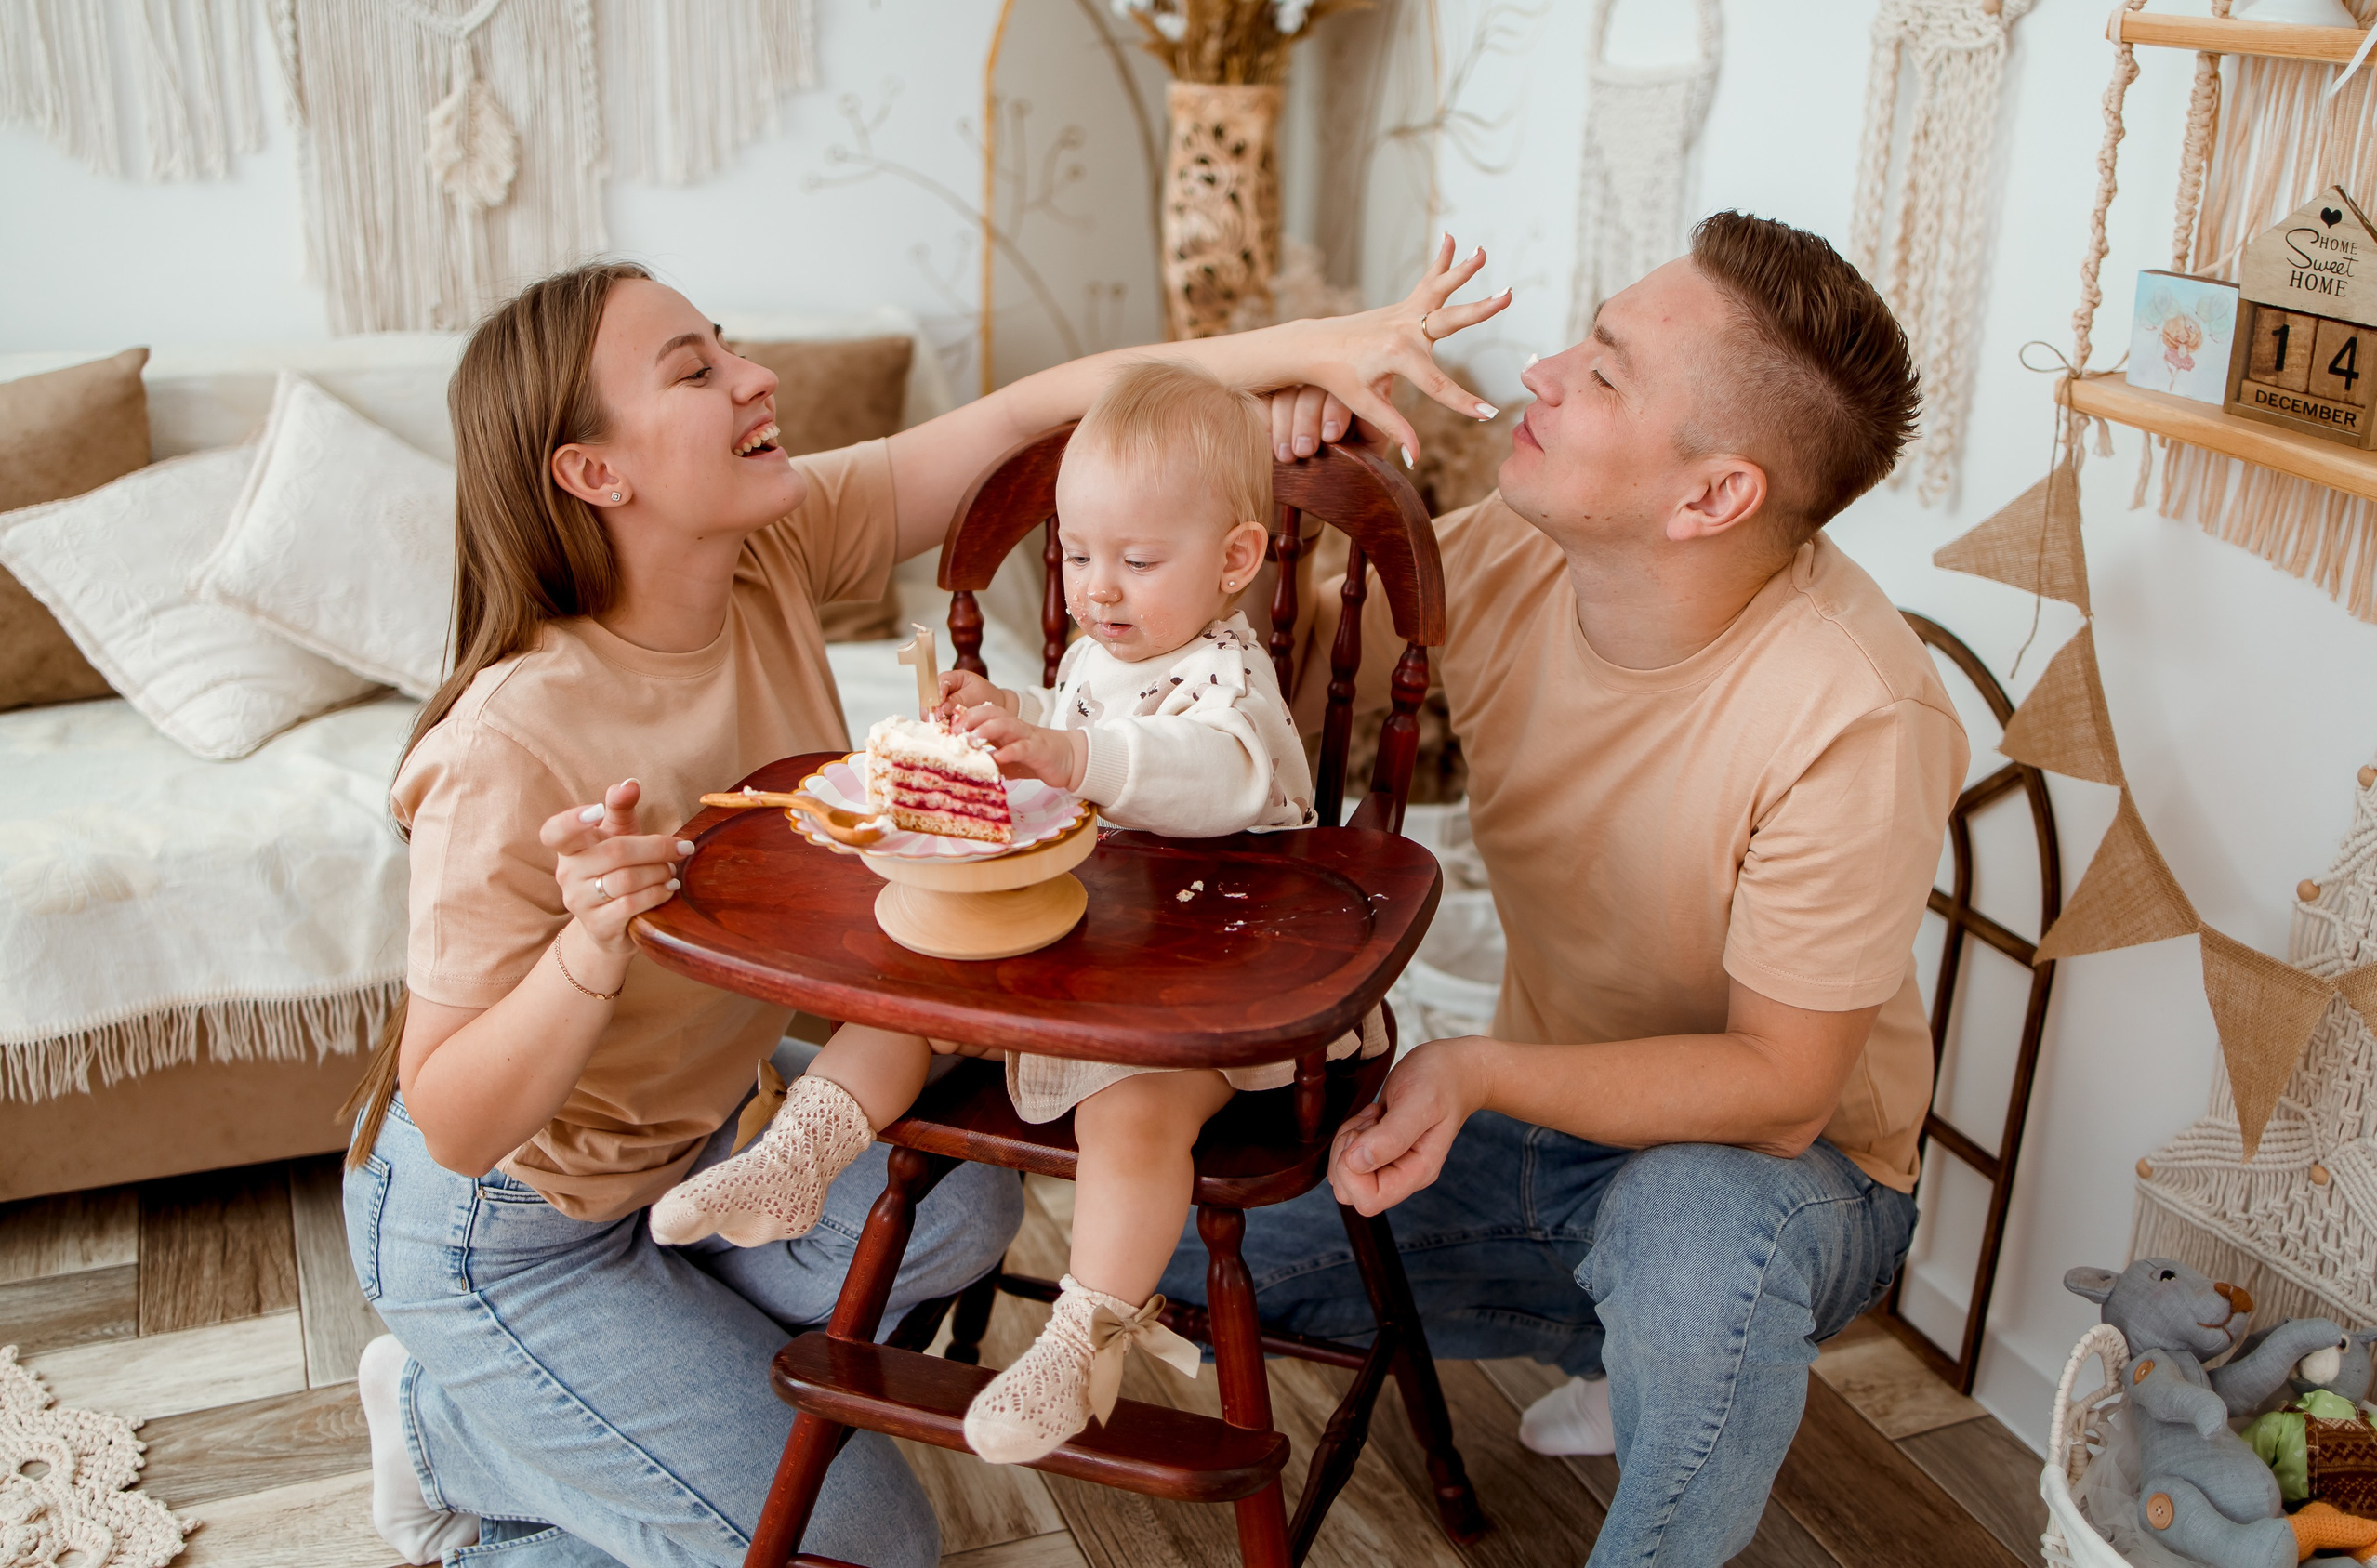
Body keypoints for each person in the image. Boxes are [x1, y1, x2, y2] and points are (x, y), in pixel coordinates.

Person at [343, 250, 1510, 1568]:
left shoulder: (765, 546)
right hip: (513, 1229)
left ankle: (585, 1394)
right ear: (593, 472)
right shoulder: (511, 740)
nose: (755, 374)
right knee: (862, 1545)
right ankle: (459, 1426)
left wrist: (1306, 353)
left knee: (963, 1205)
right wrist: (586, 947)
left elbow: (1027, 419)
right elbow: (454, 1116)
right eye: (696, 369)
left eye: (728, 343)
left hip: (703, 1130)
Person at [1165, 210, 1967, 1567]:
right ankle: (1629, 1327)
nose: (1541, 370)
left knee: (1694, 1232)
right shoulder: (1520, 552)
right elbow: (1263, 726)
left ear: (1710, 496)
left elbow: (1780, 1084)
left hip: (1788, 1170)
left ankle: (1671, 1325)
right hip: (1553, 1123)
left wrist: (1470, 1069)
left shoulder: (1859, 715)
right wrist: (1278, 475)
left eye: (1603, 370)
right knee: (1189, 1258)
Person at [647, 360, 1386, 1468]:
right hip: (1083, 956)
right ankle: (798, 1153)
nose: (1097, 590)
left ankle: (1082, 1335)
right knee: (898, 1006)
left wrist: (1071, 751)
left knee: (1130, 1123)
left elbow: (1205, 775)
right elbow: (1078, 715)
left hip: (1208, 997)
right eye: (1075, 554)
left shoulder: (1231, 683)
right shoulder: (1104, 648)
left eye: (1137, 562)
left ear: (1238, 561)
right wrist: (1015, 713)